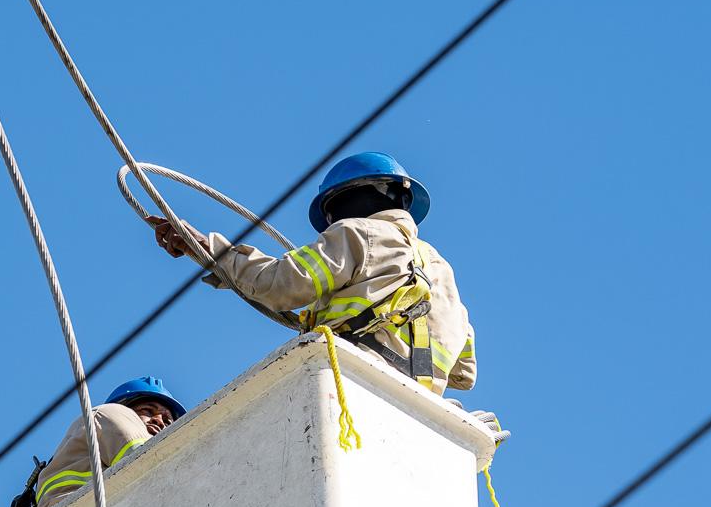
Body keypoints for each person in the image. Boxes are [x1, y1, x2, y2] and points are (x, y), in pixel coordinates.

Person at [147, 151, 480, 399]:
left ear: (345, 201)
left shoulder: (356, 233)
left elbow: (278, 284)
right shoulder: (440, 270)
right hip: (420, 403)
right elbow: (464, 373)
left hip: (355, 381)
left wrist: (206, 248)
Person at [25, 376, 187, 507]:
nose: (159, 421)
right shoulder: (112, 414)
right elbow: (149, 466)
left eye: (167, 421)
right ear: (123, 407)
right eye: (148, 411)